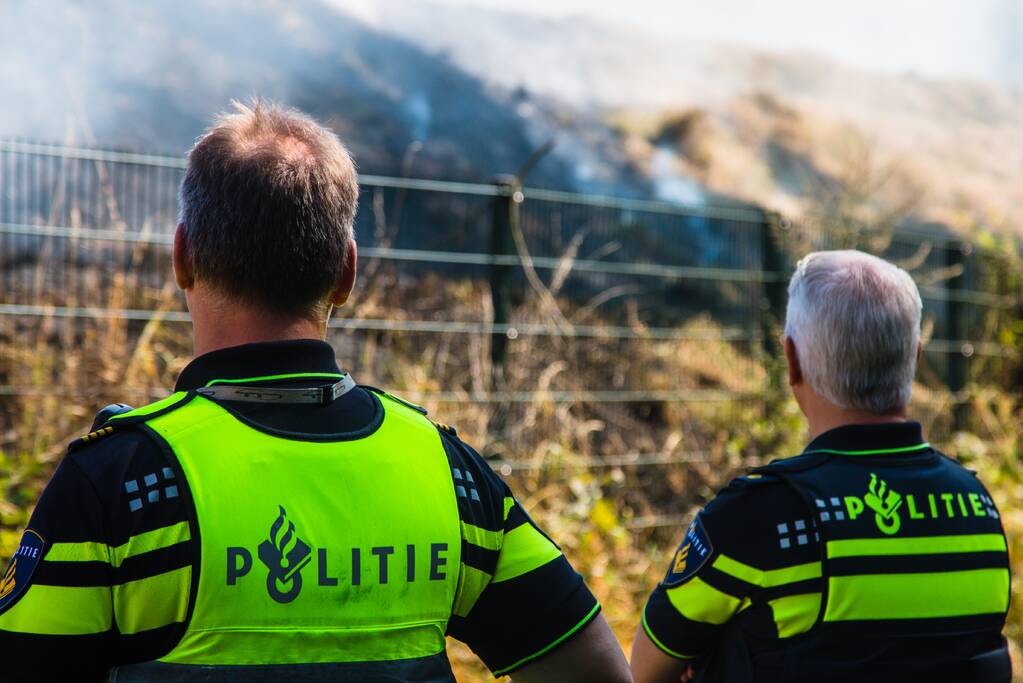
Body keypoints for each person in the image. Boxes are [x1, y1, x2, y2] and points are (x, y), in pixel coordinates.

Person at [0, 102, 632, 683]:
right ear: (346, 271)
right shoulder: (449, 475)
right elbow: (596, 671)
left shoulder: (122, 484)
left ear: (182, 256)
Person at [631, 250, 1012, 683]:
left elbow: (645, 671)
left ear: (791, 360)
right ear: (915, 359)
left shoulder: (758, 519)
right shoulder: (979, 511)